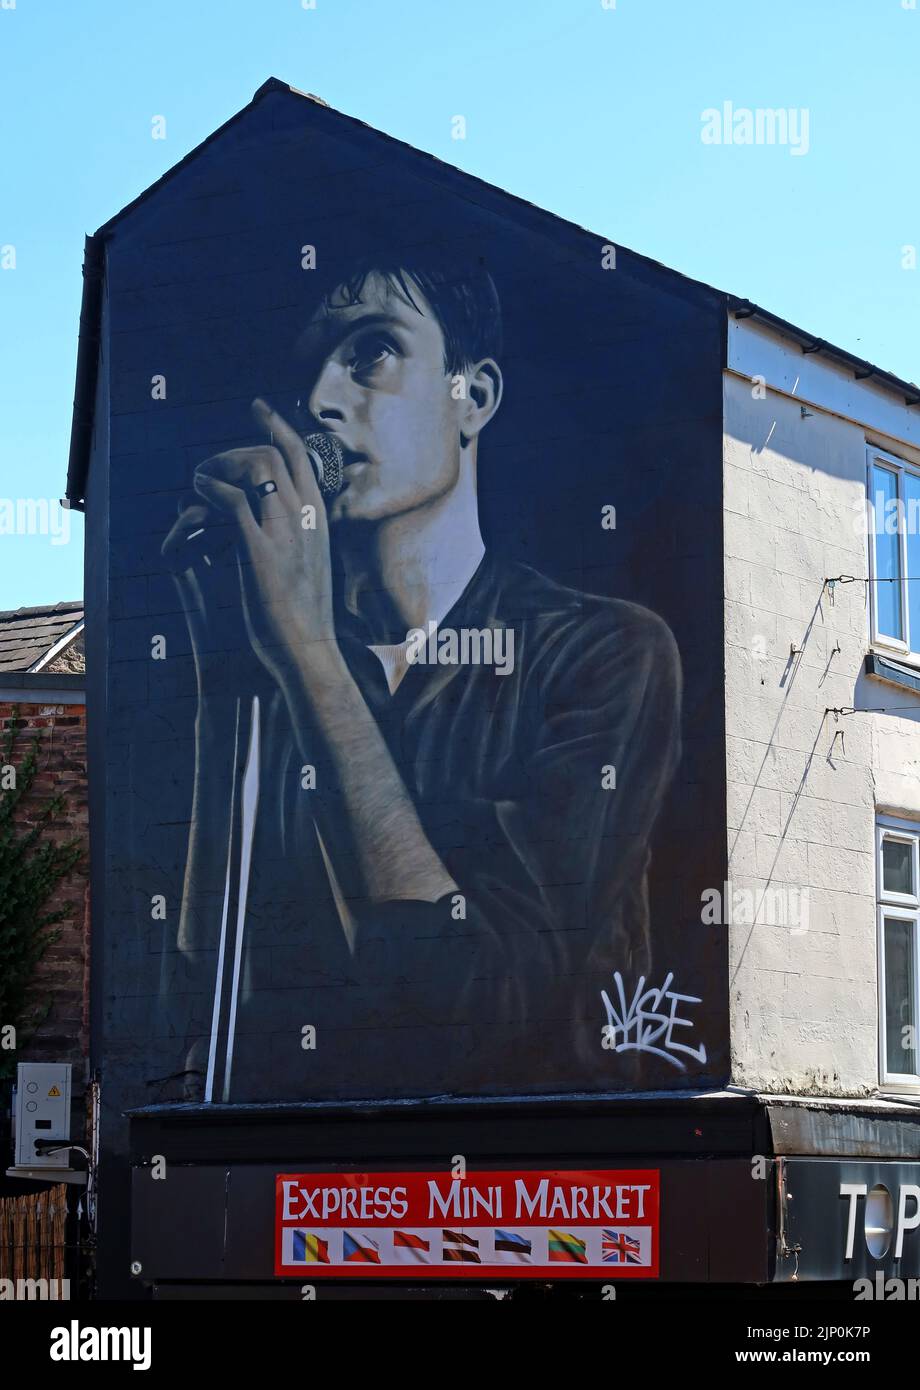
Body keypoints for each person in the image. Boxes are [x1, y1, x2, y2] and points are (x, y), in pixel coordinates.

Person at [161, 253, 682, 1102]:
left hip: (532, 1196)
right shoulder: (285, 657)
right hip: (306, 1184)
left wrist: (309, 658)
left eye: (369, 351)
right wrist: (233, 683)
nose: (323, 402)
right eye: (307, 377)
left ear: (471, 397)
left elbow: (475, 1002)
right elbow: (204, 991)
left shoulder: (602, 653)